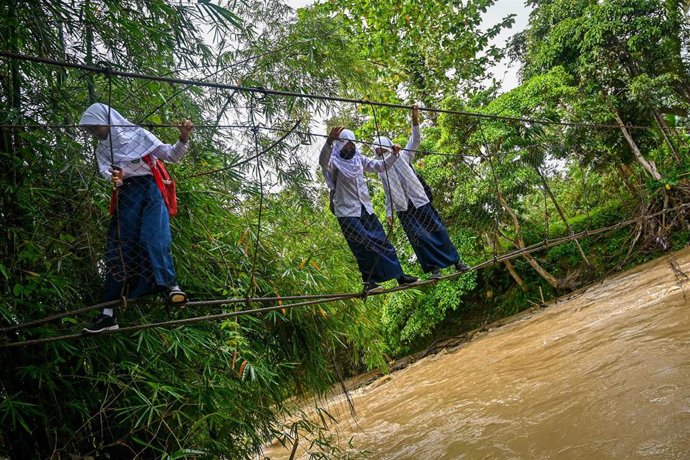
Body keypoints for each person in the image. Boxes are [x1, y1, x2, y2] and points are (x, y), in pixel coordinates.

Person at [79, 103, 193, 333]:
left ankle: (172, 286)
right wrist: (117, 178)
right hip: (127, 193)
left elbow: (171, 155)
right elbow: (110, 175)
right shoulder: (102, 149)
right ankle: (108, 314)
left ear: (107, 120)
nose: (94, 133)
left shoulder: (138, 135)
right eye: (90, 130)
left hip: (151, 188)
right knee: (119, 247)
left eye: (95, 127)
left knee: (154, 236)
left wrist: (183, 137)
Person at [372, 105, 470, 279]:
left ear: (389, 147)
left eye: (383, 149)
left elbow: (415, 138)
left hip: (419, 200)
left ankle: (456, 262)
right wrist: (389, 213)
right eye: (378, 151)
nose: (381, 153)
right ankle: (434, 270)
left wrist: (414, 116)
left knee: (438, 230)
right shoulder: (381, 169)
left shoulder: (404, 155)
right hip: (404, 208)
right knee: (419, 239)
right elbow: (388, 193)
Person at [320, 127, 419, 293]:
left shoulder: (358, 158)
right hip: (346, 212)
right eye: (347, 146)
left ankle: (400, 277)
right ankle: (369, 283)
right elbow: (322, 162)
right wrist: (329, 142)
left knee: (382, 241)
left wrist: (394, 155)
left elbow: (380, 166)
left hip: (365, 208)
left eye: (352, 146)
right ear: (340, 145)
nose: (350, 149)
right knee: (362, 244)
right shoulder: (333, 161)